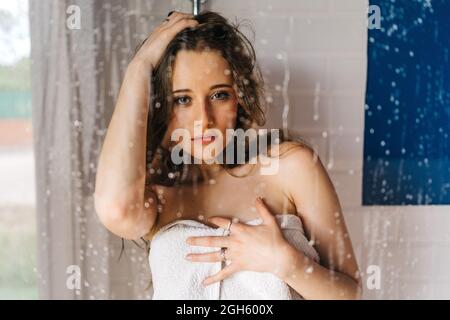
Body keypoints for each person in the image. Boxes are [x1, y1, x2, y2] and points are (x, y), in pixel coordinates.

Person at [94, 10, 362, 299]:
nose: (203, 119)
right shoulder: (159, 197)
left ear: (240, 99)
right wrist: (139, 68)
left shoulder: (289, 167)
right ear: (162, 108)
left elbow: (351, 296)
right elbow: (115, 208)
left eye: (218, 95)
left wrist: (287, 264)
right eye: (183, 99)